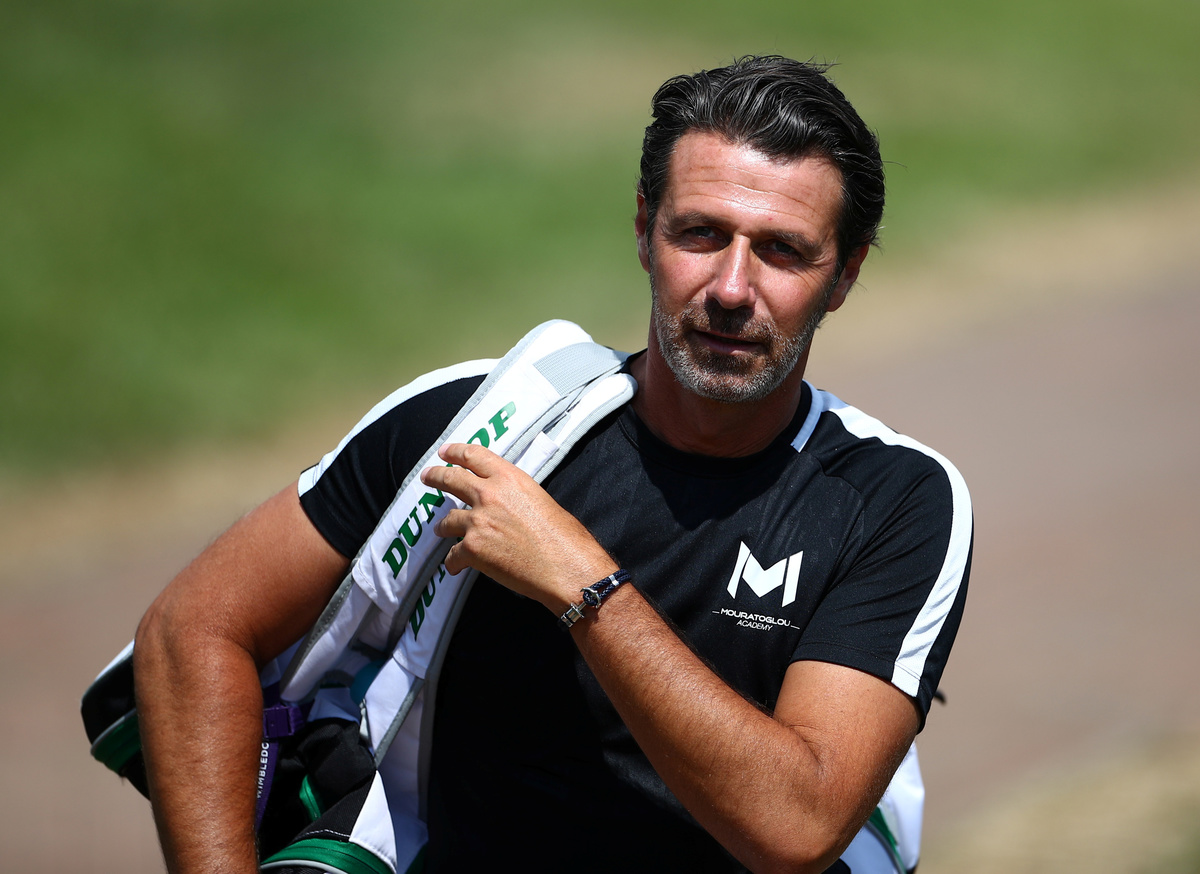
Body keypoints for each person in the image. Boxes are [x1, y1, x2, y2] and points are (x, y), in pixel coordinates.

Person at [133, 55, 971, 874]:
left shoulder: (894, 502)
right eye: (700, 234)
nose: (730, 287)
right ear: (644, 230)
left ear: (845, 274)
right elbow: (192, 630)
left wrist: (583, 584)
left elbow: (797, 828)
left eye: (783, 250)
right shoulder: (483, 425)